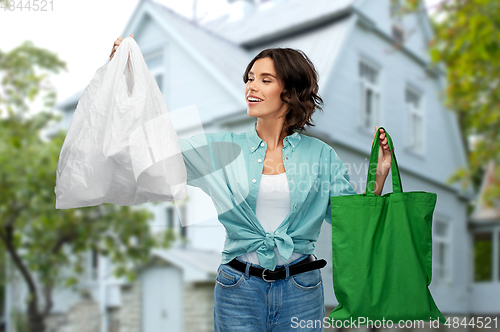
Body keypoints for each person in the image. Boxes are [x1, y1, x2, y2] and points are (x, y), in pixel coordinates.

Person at [110, 35, 392, 332]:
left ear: (290, 91)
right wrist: (128, 81)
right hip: (237, 289)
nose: (251, 87)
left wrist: (378, 176)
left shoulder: (321, 156)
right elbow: (151, 150)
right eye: (249, 78)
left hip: (302, 289)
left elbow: (353, 222)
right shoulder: (219, 149)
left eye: (265, 80)